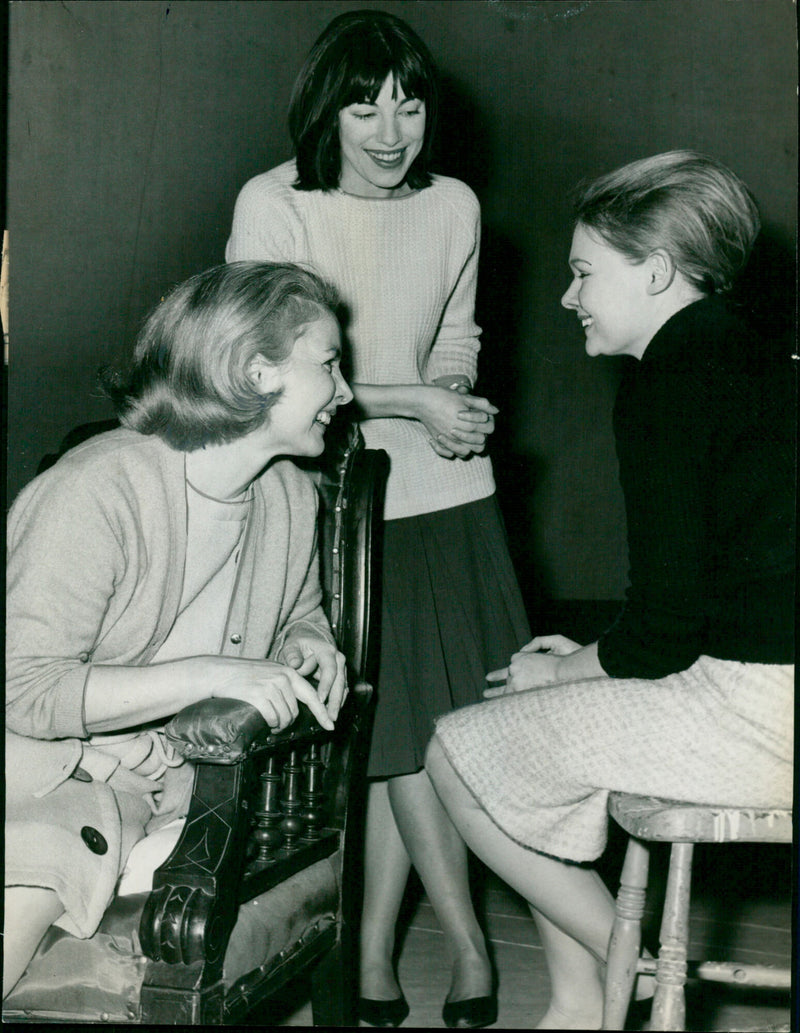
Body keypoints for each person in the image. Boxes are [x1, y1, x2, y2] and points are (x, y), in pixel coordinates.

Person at [426, 151, 795, 1030]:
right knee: (547, 724)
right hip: (769, 681)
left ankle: (629, 965)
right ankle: (574, 1003)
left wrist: (562, 673)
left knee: (459, 752)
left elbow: (663, 634)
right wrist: (583, 663)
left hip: (762, 708)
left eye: (585, 272)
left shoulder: (668, 380)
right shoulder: (756, 352)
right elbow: (708, 597)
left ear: (658, 271)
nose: (569, 297)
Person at [226, 10, 530, 1028]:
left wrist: (456, 399)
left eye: (407, 100)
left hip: (447, 495)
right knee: (394, 734)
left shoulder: (454, 204)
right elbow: (260, 365)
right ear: (329, 107)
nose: (390, 126)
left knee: (423, 734)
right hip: (334, 491)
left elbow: (455, 330)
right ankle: (471, 949)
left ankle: (370, 960)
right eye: (364, 103)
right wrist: (412, 404)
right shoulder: (274, 205)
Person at [4, 260, 353, 998]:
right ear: (257, 372)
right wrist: (216, 674)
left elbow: (295, 606)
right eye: (329, 363)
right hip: (48, 773)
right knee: (38, 872)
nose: (346, 391)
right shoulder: (91, 491)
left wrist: (310, 641)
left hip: (184, 781)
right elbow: (22, 688)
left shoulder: (289, 495)